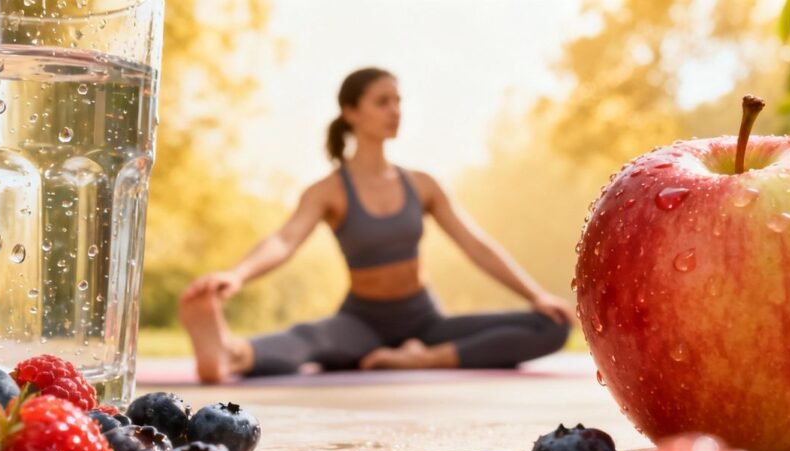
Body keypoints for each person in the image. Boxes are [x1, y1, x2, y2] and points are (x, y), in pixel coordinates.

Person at [180, 67, 575, 384]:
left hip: (425, 324)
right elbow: (284, 240)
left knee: (551, 324)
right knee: (311, 339)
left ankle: (423, 360)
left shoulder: (422, 184)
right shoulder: (328, 190)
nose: (395, 110)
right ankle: (230, 353)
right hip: (362, 323)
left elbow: (476, 245)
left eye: (398, 101)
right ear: (351, 112)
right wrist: (236, 275)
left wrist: (535, 294)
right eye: (382, 101)